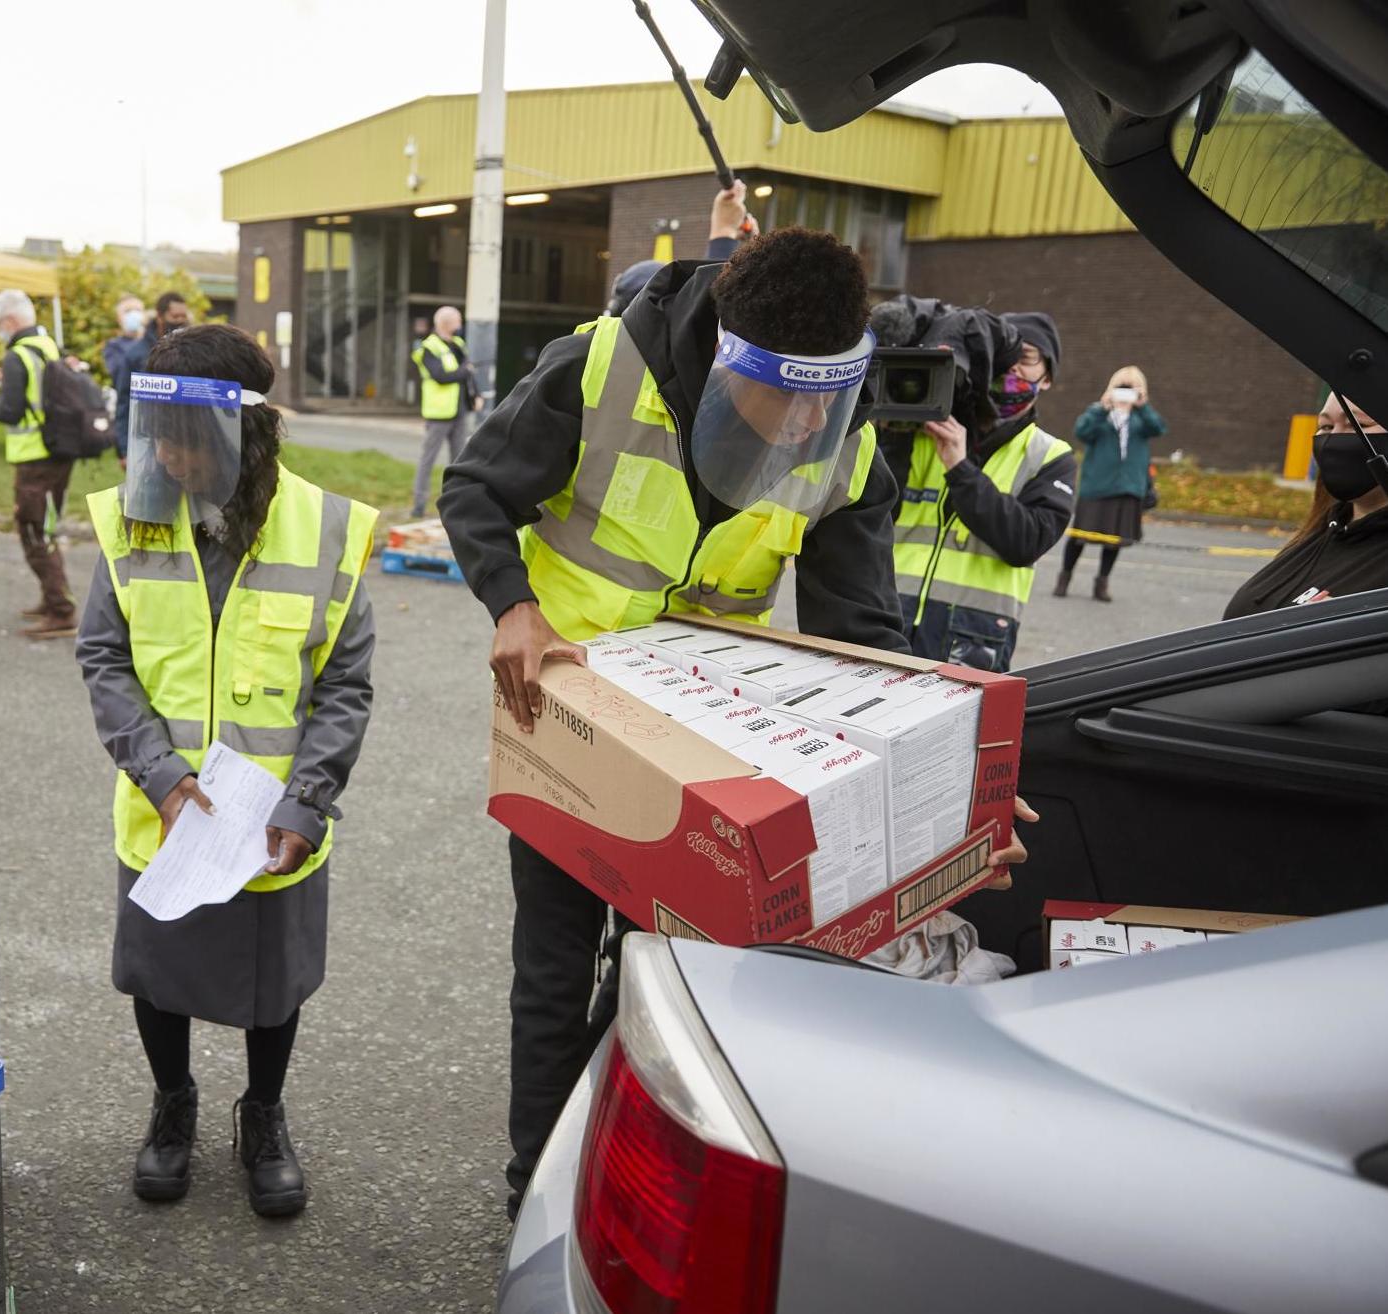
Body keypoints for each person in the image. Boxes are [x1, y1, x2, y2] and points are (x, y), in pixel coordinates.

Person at [440, 227, 1037, 1219]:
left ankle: (607, 1164)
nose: (804, 423)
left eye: (824, 395)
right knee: (552, 967)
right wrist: (512, 604)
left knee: (664, 975)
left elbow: (864, 633)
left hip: (699, 749)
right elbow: (476, 489)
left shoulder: (841, 440)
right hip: (568, 715)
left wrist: (950, 795)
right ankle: (533, 1191)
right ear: (723, 355)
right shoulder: (597, 368)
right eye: (780, 395)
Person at [75, 323, 378, 1218]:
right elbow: (103, 655)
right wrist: (160, 776)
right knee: (158, 974)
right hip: (163, 812)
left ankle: (264, 1114)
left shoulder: (327, 529)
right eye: (157, 434)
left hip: (273, 822)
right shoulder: (133, 513)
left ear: (251, 433)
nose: (171, 455)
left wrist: (307, 802)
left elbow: (345, 685)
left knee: (268, 985)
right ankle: (173, 1107)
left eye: (190, 438)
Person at [885, 308, 1076, 670]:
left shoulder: (1050, 455)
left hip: (972, 643)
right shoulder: (924, 430)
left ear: (1047, 376)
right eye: (1006, 357)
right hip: (890, 622)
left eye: (1027, 358)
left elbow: (1026, 542)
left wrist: (960, 469)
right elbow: (877, 508)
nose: (1013, 368)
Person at [1224, 393, 1388, 617]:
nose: (1334, 439)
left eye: (1357, 425)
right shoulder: (1326, 529)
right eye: (1326, 426)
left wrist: (1355, 629)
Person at [0, 288, 78, 639]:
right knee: (43, 526)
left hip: (35, 458)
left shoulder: (17, 355)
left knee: (35, 530)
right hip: (57, 452)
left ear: (10, 320)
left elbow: (10, 411)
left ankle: (61, 608)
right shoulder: (48, 346)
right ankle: (52, 600)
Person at [1060, 365, 1166, 602]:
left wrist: (1143, 405)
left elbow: (1159, 429)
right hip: (1097, 486)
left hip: (1127, 487)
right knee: (1079, 536)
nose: (1125, 392)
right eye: (1121, 387)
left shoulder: (1142, 417)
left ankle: (1102, 583)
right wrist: (1102, 407)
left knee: (1114, 541)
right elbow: (1082, 432)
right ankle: (1065, 577)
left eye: (1131, 388)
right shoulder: (1098, 413)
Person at [604, 181, 759, 317]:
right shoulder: (661, 347)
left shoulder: (601, 342)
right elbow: (708, 304)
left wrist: (749, 248)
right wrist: (725, 232)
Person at [408, 305, 480, 519]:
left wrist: (475, 394)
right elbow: (440, 375)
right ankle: (419, 504)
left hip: (460, 411)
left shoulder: (458, 345)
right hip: (439, 414)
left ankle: (456, 505)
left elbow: (468, 373)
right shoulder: (428, 348)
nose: (460, 326)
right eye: (458, 321)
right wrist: (464, 371)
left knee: (459, 462)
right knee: (427, 460)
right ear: (447, 323)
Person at [109, 291, 194, 442]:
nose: (180, 321)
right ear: (160, 317)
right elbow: (124, 401)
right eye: (175, 317)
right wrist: (123, 447)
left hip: (184, 437)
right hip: (147, 437)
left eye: (183, 316)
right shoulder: (136, 354)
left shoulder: (194, 350)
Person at [102, 295, 146, 460]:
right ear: (119, 318)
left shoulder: (154, 341)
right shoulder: (114, 347)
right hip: (130, 418)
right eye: (128, 311)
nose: (134, 314)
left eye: (138, 310)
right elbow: (120, 373)